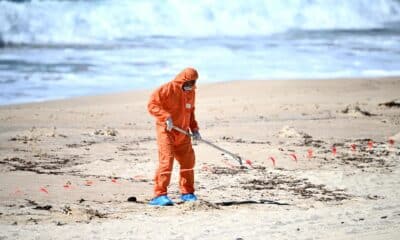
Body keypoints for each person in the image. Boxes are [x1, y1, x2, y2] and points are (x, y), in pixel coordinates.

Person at [147, 67, 201, 206]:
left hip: (183, 133)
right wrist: (165, 117)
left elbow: (190, 111)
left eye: (193, 83)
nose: (191, 86)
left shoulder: (191, 92)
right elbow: (152, 105)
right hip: (167, 131)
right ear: (182, 80)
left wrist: (194, 129)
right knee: (167, 161)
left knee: (188, 162)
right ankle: (159, 195)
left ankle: (187, 193)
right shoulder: (167, 89)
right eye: (189, 83)